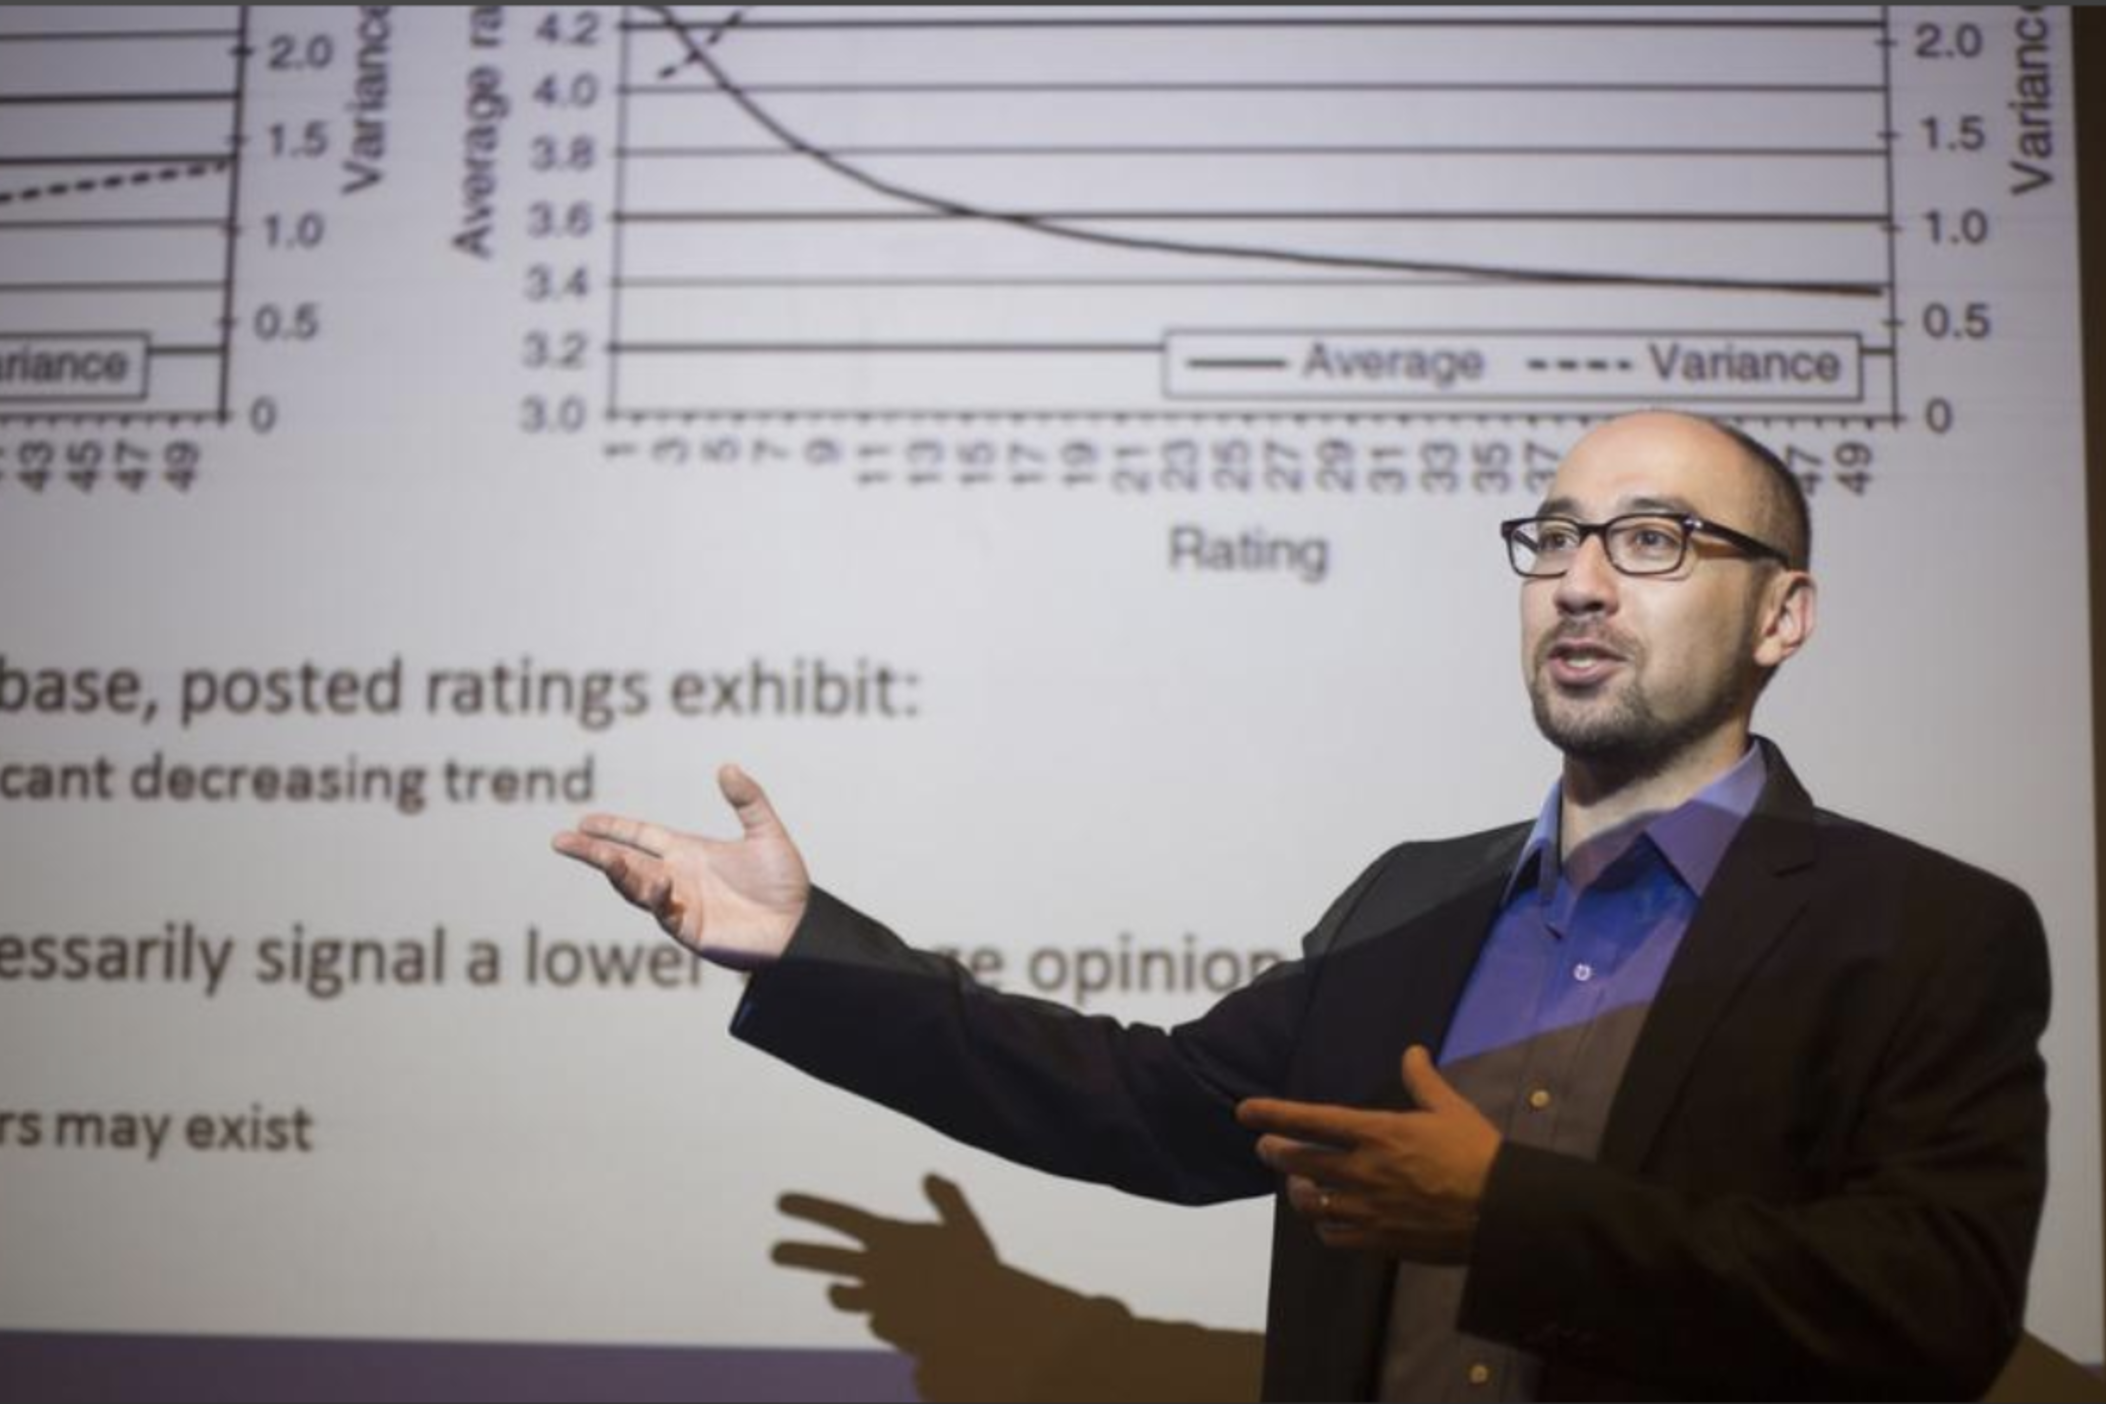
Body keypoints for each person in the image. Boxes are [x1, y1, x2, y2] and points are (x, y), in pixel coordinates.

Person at [553, 410, 2049, 1402]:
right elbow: (1147, 1104)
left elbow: (1929, 1310)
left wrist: (1506, 1216)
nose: (1579, 584)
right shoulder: (1412, 901)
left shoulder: (1919, 931)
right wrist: (799, 950)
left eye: (1652, 541)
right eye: (1552, 538)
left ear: (1781, 613)